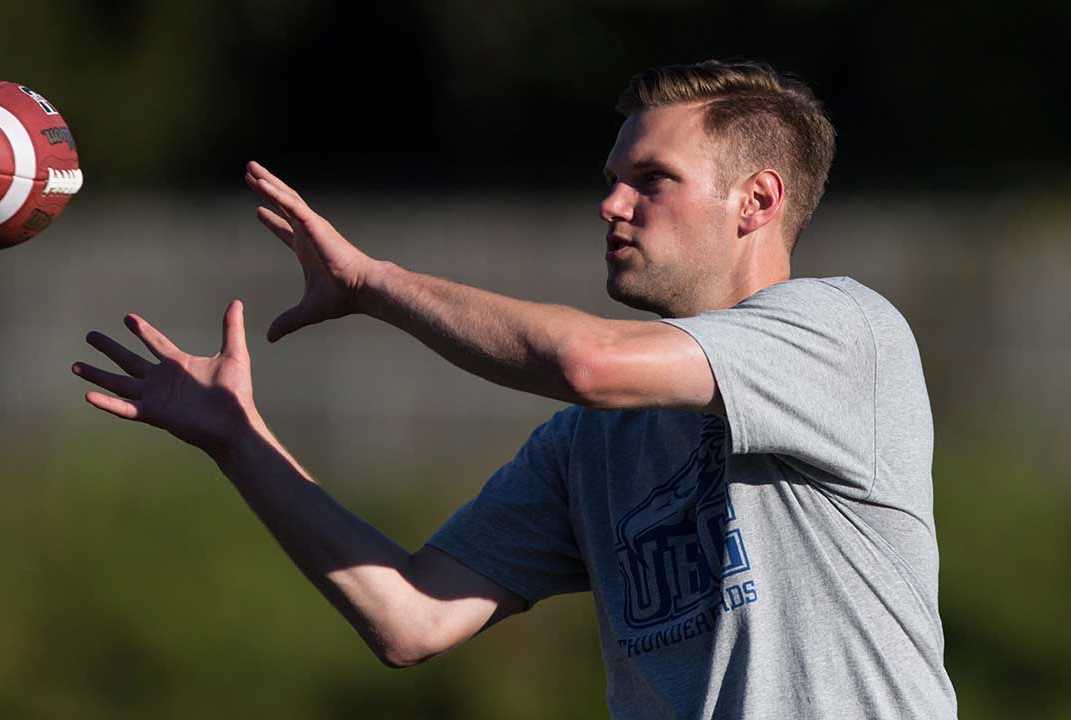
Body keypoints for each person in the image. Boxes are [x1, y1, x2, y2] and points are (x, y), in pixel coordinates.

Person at [72, 60, 957, 719]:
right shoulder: (589, 446)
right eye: (612, 180)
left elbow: (587, 363)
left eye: (651, 180)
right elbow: (410, 619)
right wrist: (239, 438)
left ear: (756, 201)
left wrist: (373, 283)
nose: (612, 204)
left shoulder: (843, 331)